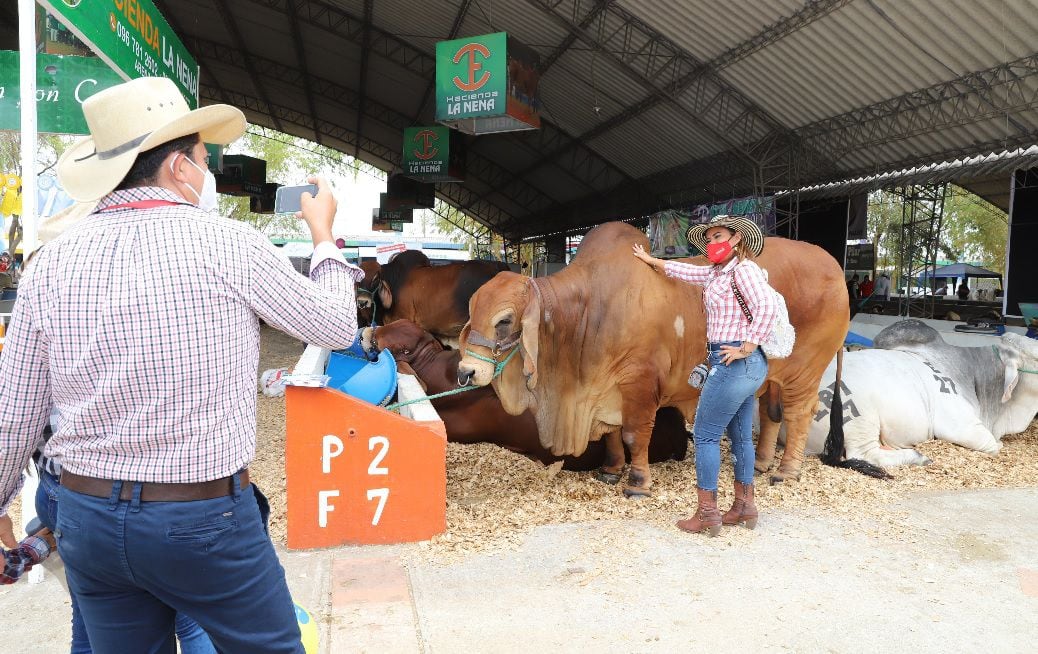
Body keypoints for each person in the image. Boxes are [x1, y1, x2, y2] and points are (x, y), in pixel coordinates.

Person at [0, 77, 364, 653]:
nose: (207, 171)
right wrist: (323, 238)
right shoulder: (228, 245)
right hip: (202, 521)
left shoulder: (51, 263)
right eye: (202, 158)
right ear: (177, 167)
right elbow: (338, 327)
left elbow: (15, 413)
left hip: (87, 518)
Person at [633, 215, 777, 536]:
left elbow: (768, 306)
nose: (713, 243)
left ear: (736, 238)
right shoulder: (716, 274)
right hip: (743, 365)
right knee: (739, 435)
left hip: (734, 361)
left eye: (719, 236)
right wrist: (651, 260)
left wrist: (747, 345)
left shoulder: (744, 270)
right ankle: (743, 506)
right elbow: (686, 271)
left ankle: (707, 512)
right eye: (710, 238)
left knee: (705, 434)